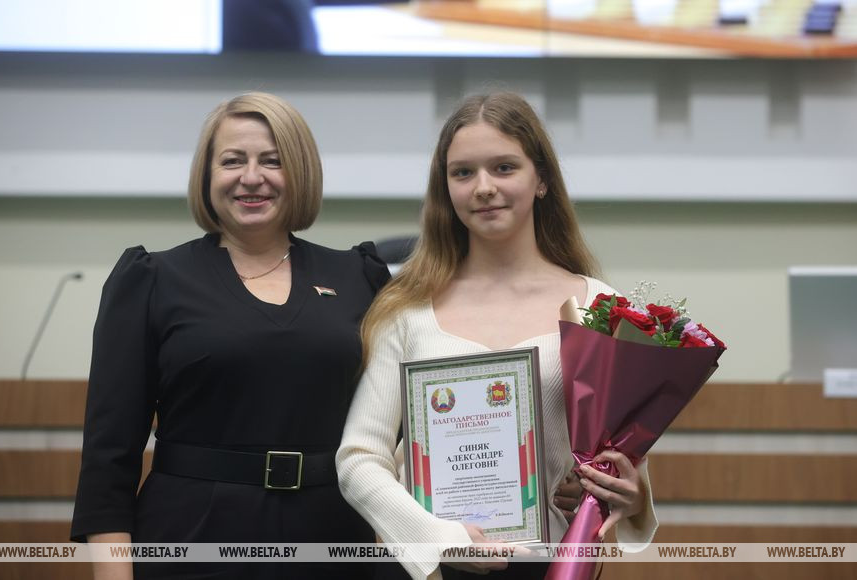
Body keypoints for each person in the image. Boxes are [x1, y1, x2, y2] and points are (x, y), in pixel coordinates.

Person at [336, 92, 658, 580]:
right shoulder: (407, 310)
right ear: (446, 188)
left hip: (549, 566)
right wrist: (436, 538)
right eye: (463, 173)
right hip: (432, 570)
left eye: (504, 168)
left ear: (541, 179)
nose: (483, 187)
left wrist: (629, 495)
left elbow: (620, 461)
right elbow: (359, 459)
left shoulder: (597, 308)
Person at [71, 92, 390, 579]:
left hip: (333, 540)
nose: (251, 177)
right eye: (232, 161)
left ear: (301, 172)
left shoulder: (359, 277)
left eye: (272, 161)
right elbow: (108, 460)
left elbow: (396, 435)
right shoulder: (152, 279)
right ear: (207, 175)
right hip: (191, 541)